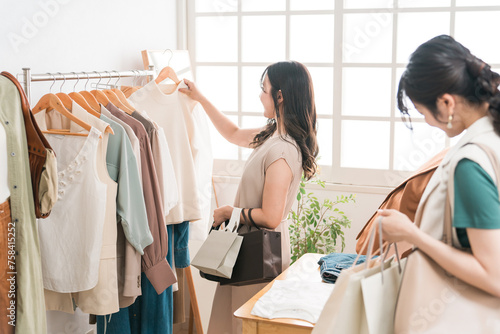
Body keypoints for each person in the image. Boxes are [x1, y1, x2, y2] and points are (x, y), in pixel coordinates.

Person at [179, 60, 318, 333]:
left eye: (263, 89)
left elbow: (271, 216)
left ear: (280, 96)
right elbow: (231, 133)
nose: (259, 95)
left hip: (260, 251)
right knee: (235, 321)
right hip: (248, 247)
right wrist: (200, 98)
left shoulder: (283, 150)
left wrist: (231, 211)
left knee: (245, 323)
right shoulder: (272, 136)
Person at [379, 35, 500, 298]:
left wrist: (412, 234)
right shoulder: (493, 138)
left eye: (423, 113)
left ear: (446, 103)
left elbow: (494, 276)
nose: (429, 123)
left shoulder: (471, 163)